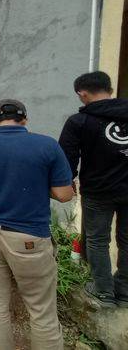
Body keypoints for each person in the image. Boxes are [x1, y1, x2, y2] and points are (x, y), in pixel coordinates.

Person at [0, 99, 74, 350]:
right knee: (41, 310)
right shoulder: (47, 146)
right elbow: (64, 195)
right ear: (25, 121)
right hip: (29, 237)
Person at [58, 71, 128, 308]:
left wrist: (69, 181)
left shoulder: (79, 121)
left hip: (99, 190)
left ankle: (103, 291)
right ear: (109, 88)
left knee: (97, 240)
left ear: (82, 94)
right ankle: (125, 291)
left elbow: (66, 157)